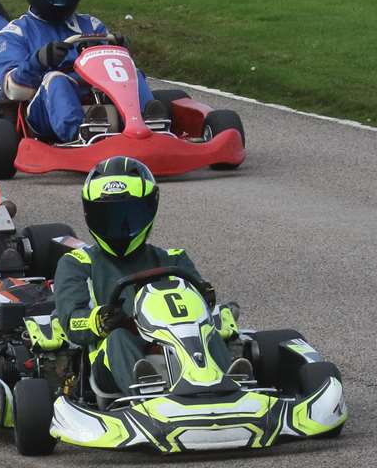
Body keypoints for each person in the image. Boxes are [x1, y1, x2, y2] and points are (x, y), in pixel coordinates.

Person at [53, 157, 243, 393]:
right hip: (112, 360)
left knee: (207, 333)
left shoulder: (174, 259)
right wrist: (98, 320)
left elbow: (201, 309)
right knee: (118, 338)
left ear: (148, 211)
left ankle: (232, 391)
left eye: (128, 215)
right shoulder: (78, 263)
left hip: (177, 347)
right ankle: (145, 397)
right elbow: (71, 321)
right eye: (108, 217)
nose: (118, 226)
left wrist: (205, 298)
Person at [0, 0, 158, 142]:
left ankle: (152, 123)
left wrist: (120, 48)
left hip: (99, 99)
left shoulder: (92, 25)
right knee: (56, 79)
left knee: (131, 73)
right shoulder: (15, 33)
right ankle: (80, 134)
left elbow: (113, 68)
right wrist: (39, 61)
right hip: (44, 111)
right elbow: (13, 89)